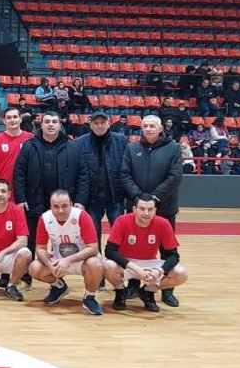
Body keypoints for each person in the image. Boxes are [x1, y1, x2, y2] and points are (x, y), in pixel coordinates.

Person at [119, 114, 183, 308]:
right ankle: (133, 284)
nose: (148, 129)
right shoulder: (132, 148)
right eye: (145, 126)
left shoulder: (173, 148)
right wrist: (140, 199)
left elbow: (175, 176)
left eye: (152, 126)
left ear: (160, 128)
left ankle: (166, 290)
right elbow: (125, 174)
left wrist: (154, 198)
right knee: (133, 247)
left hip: (165, 206)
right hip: (136, 207)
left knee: (167, 249)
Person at [13, 111, 80, 289]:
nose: (50, 124)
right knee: (30, 241)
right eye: (47, 121)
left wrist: (78, 200)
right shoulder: (29, 146)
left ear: (59, 124)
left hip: (62, 207)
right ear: (41, 124)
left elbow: (82, 174)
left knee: (61, 242)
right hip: (34, 201)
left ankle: (57, 279)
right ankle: (25, 278)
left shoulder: (72, 147)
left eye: (54, 121)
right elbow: (19, 173)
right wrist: (20, 198)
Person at [104, 194, 189, 312]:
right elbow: (109, 251)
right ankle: (120, 291)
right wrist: (136, 268)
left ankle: (147, 291)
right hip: (128, 264)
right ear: (134, 209)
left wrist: (159, 271)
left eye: (150, 209)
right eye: (142, 209)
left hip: (150, 264)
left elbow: (173, 255)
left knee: (181, 273)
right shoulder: (122, 221)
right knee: (108, 265)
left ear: (155, 210)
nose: (146, 213)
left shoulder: (163, 223)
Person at [27, 190, 105, 315]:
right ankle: (59, 287)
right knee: (34, 268)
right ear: (50, 206)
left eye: (64, 206)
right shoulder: (45, 218)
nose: (60, 210)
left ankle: (89, 297)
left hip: (82, 260)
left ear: (71, 204)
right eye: (56, 206)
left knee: (96, 264)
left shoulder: (82, 216)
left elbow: (93, 248)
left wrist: (68, 260)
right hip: (58, 260)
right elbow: (40, 248)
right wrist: (50, 266)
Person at [74, 110, 128, 251]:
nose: (99, 125)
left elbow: (127, 168)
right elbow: (77, 172)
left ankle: (117, 261)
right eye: (96, 123)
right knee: (92, 236)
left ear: (109, 123)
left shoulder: (121, 140)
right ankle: (96, 262)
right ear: (90, 125)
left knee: (119, 235)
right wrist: (79, 199)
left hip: (115, 197)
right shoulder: (79, 143)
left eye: (102, 122)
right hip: (91, 199)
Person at [0, 107, 34, 203]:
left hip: (25, 191)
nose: (12, 120)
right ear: (4, 120)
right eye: (9, 117)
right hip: (2, 191)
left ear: (20, 119)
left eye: (15, 117)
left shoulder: (31, 138)